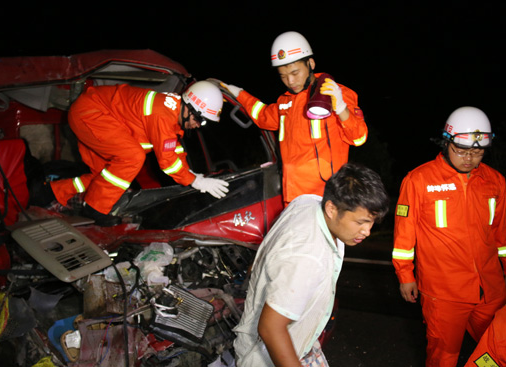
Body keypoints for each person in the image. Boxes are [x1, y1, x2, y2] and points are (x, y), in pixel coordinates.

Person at [233, 162, 389, 366]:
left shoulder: (308, 202)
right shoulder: (307, 257)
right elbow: (271, 329)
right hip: (269, 356)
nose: (367, 232)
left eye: (371, 223)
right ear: (332, 209)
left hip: (299, 340)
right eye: (360, 223)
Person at [392, 106, 506, 367]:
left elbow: (502, 234)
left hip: (491, 290)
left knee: (497, 354)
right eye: (463, 151)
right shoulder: (418, 180)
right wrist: (405, 275)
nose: (470, 159)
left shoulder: (495, 181)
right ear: (446, 143)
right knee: (444, 357)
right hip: (443, 293)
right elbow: (404, 235)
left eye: (477, 152)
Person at [217, 31, 368, 206]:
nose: (290, 81)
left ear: (310, 63)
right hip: (292, 198)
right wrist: (239, 94)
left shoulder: (333, 93)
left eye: (295, 73)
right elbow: (263, 115)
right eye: (283, 76)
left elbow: (359, 137)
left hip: (326, 199)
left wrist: (341, 107)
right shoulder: (285, 102)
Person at [49, 81, 229, 226]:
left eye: (203, 122)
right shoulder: (163, 115)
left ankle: (50, 192)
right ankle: (95, 208)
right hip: (90, 113)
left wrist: (191, 175)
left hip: (94, 113)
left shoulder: (173, 111)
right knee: (132, 157)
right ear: (189, 108)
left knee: (104, 176)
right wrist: (196, 182)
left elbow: (174, 150)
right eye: (199, 119)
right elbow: (167, 162)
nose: (198, 125)